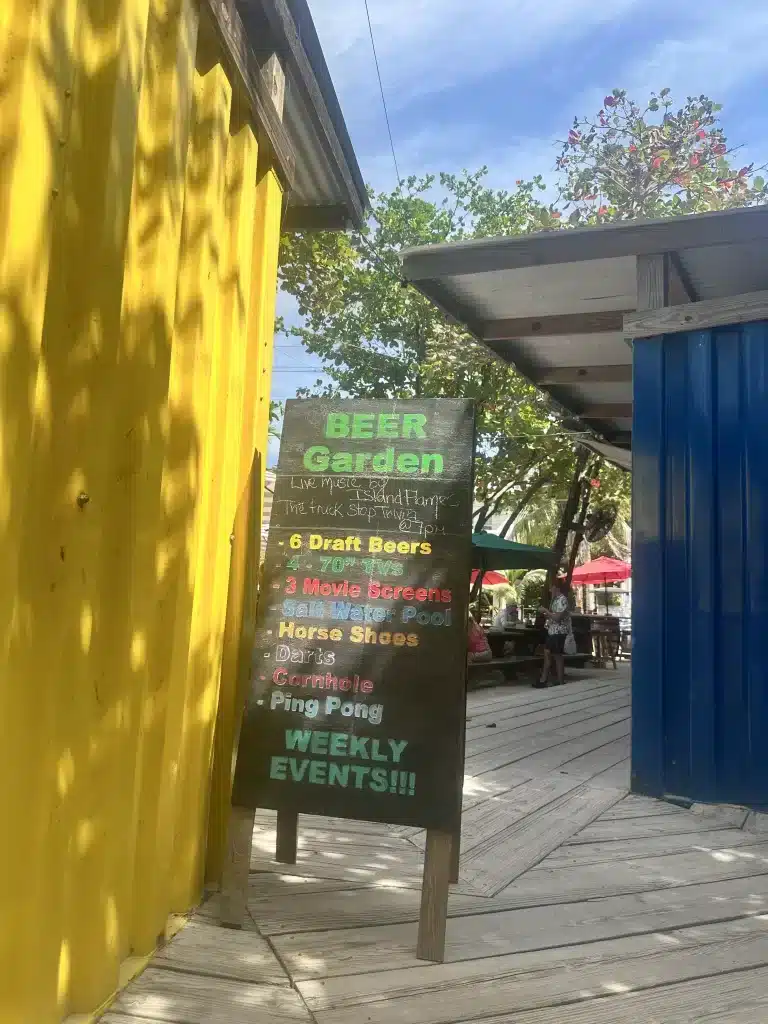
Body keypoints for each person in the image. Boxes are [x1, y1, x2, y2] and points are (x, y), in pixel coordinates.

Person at [535, 577, 571, 688]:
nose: (550, 590)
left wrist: (546, 611)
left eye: (552, 587)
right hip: (552, 631)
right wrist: (547, 613)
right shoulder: (555, 600)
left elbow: (557, 617)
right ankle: (553, 679)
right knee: (552, 654)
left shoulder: (562, 600)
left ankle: (549, 679)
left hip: (558, 631)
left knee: (553, 654)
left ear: (556, 588)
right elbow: (553, 616)